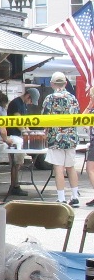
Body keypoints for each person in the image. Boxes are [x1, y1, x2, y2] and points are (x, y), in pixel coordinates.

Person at [42, 71, 80, 206]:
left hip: (55, 138)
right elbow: (77, 116)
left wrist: (46, 131)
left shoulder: (49, 99)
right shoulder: (73, 98)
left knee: (59, 168)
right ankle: (75, 196)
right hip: (71, 137)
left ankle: (61, 197)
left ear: (52, 84)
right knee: (71, 167)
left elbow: (44, 119)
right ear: (65, 83)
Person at [6, 87, 40, 196]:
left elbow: (24, 122)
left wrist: (29, 132)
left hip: (19, 136)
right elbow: (18, 122)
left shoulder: (23, 104)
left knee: (18, 163)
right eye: (31, 100)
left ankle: (15, 185)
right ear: (28, 96)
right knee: (16, 162)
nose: (30, 103)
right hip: (14, 136)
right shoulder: (16, 103)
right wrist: (26, 133)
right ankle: (14, 186)